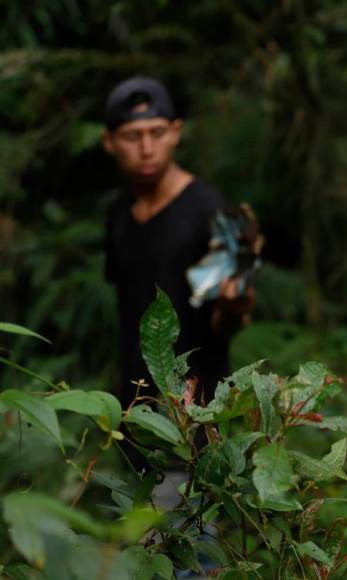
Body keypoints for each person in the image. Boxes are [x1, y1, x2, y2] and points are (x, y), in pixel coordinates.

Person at [102, 77, 252, 411]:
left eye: (156, 133)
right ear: (109, 141)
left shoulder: (213, 211)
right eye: (132, 136)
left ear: (175, 132)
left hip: (197, 412)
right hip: (133, 408)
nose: (146, 148)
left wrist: (233, 304)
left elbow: (228, 323)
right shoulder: (118, 212)